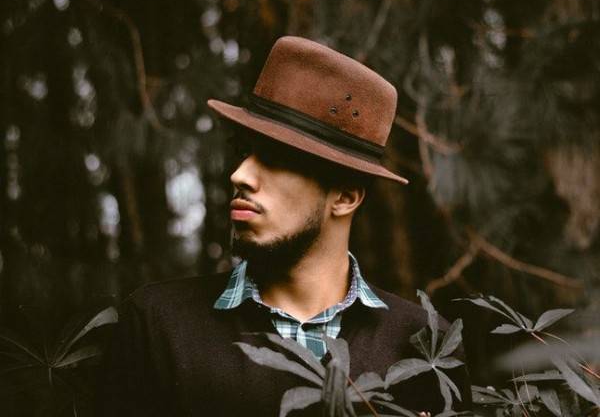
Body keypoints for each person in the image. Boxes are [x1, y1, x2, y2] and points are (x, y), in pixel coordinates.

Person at [100, 36, 470, 416]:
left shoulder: (423, 343)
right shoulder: (159, 324)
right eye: (243, 151)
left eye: (275, 158)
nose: (240, 175)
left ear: (345, 197)